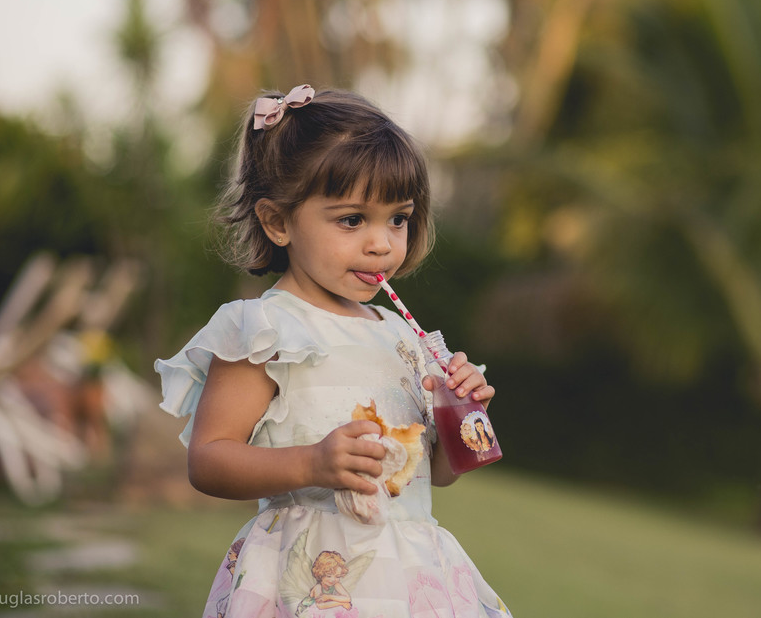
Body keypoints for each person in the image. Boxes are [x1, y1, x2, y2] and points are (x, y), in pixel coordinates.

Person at [155, 86, 511, 618]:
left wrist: (459, 416)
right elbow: (207, 460)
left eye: (398, 218)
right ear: (278, 222)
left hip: (412, 579)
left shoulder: (403, 336)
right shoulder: (266, 331)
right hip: (310, 578)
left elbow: (433, 475)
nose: (382, 244)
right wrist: (311, 462)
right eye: (352, 220)